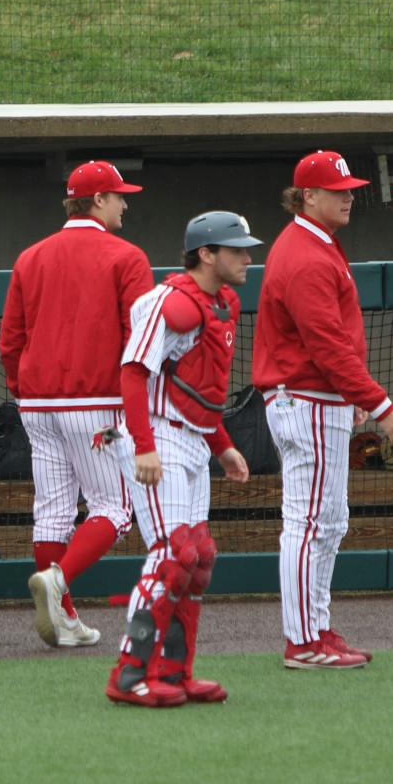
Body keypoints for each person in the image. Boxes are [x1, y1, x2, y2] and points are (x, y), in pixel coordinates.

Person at [253, 151, 393, 672]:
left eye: (349, 189)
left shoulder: (315, 243)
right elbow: (326, 345)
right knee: (308, 523)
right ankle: (302, 639)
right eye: (337, 190)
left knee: (329, 520)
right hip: (306, 399)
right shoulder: (304, 254)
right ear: (308, 196)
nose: (349, 197)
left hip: (317, 399)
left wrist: (354, 397)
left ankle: (316, 628)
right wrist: (379, 403)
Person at [103, 211, 261, 709]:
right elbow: (133, 373)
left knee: (198, 558)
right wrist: (143, 445)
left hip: (192, 439)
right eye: (236, 250)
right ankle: (130, 673)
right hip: (157, 437)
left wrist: (222, 445)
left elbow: (199, 389)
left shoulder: (219, 304)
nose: (247, 258)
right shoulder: (169, 303)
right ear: (206, 254)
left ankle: (175, 671)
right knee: (171, 557)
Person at [7, 161, 153, 650]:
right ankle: (60, 580)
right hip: (99, 407)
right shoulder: (127, 256)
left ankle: (64, 617)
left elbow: (11, 339)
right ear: (97, 201)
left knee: (53, 511)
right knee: (116, 507)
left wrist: (23, 389)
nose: (125, 204)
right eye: (118, 195)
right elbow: (141, 339)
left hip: (37, 405)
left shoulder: (30, 256)